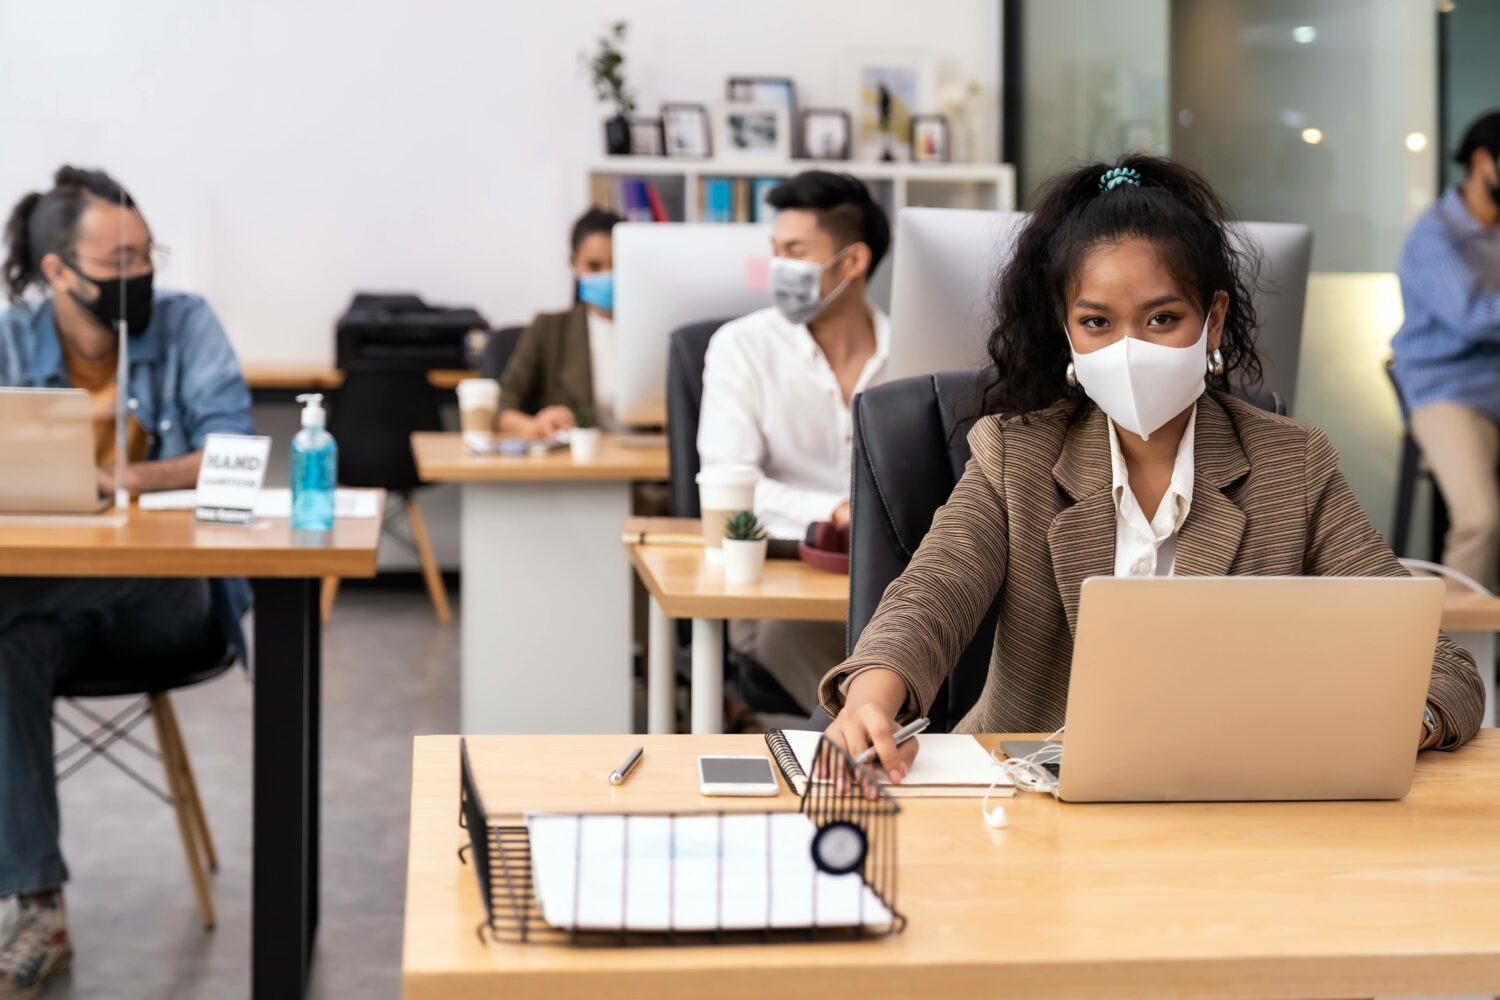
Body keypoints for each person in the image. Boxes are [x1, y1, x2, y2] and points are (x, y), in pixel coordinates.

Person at [820, 155, 1486, 780]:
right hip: (1023, 796)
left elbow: (1438, 663)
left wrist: (1404, 722)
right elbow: (930, 598)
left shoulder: (1293, 464)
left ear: (1213, 321)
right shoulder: (1013, 453)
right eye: (1097, 322)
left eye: (1162, 318)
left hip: (1220, 800)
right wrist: (874, 699)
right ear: (1065, 332)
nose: (1129, 349)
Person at [0, 166, 254, 996]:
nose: (140, 276)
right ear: (58, 273)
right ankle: (38, 904)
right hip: (46, 611)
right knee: (9, 636)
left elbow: (234, 455)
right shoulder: (12, 343)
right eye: (119, 262)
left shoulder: (188, 325)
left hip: (166, 599)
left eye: (148, 256)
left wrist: (123, 482)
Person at [697, 170, 891, 714]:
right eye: (775, 250)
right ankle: (867, 763)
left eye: (795, 250)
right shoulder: (741, 348)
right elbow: (731, 485)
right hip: (776, 583)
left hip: (884, 585)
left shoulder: (913, 352)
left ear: (851, 263)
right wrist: (832, 510)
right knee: (795, 638)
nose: (778, 267)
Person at [1391, 110, 1500, 590]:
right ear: (1483, 161)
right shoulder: (1435, 233)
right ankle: (1454, 652)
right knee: (1481, 519)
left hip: (1494, 388)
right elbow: (1472, 316)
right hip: (1447, 391)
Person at [498, 207, 621, 437]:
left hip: (650, 465)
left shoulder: (661, 335)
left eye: (616, 265)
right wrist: (535, 425)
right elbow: (502, 408)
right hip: (579, 467)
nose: (607, 275)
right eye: (594, 266)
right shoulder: (548, 329)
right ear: (574, 263)